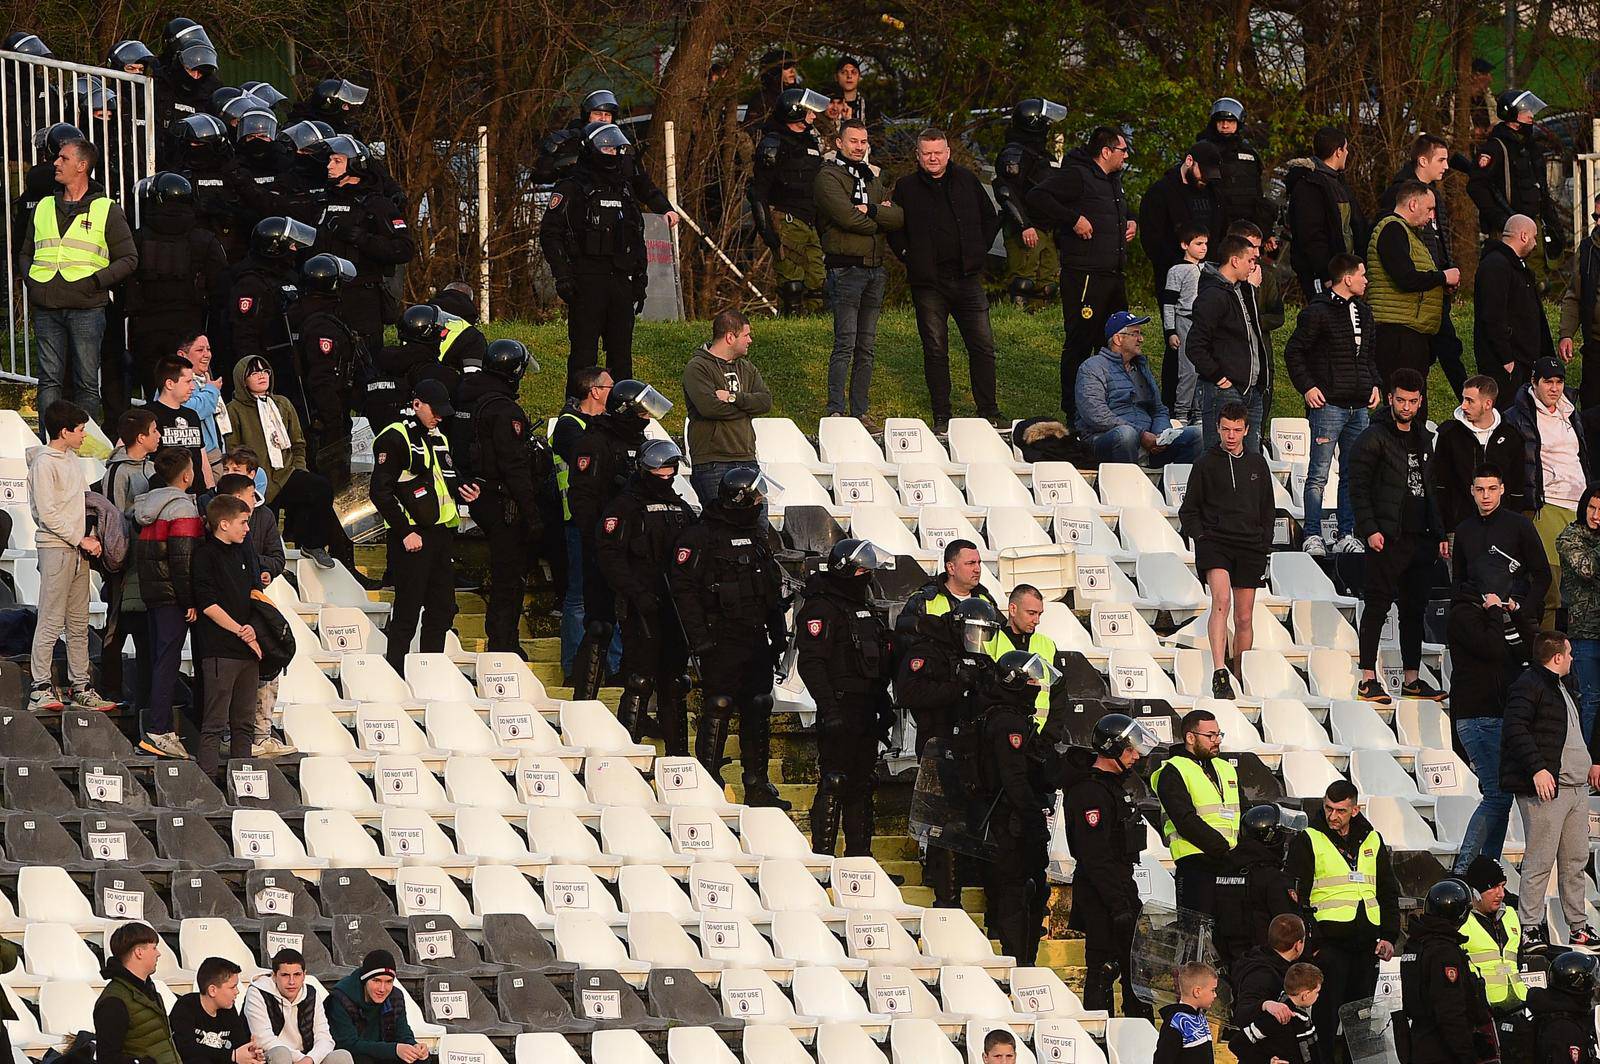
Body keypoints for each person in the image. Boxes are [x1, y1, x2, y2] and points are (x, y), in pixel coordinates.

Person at [670, 469, 789, 805]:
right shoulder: (701, 537)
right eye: (755, 498)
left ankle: (757, 783)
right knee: (719, 704)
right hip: (719, 637)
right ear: (739, 499)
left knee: (759, 703)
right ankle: (708, 780)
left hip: (755, 637)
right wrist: (699, 640)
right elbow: (684, 592)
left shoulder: (756, 537)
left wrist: (778, 633)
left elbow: (770, 590)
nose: (759, 504)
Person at [1446, 475, 1539, 873]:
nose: (1485, 496)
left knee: (1500, 795)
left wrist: (1512, 609)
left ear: (1503, 490)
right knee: (1497, 794)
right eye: (1479, 489)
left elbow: (1521, 648)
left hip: (1499, 711)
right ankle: (1467, 869)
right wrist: (1498, 615)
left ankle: (1486, 871)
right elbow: (1494, 648)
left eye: (1492, 489)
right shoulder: (1464, 614)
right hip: (1477, 714)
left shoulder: (1520, 527)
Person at [888, 127, 1003, 432]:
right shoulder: (905, 187)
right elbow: (894, 226)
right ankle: (942, 415)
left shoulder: (967, 179)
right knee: (936, 349)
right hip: (929, 283)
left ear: (948, 152)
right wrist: (906, 254)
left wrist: (979, 250)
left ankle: (989, 411)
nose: (933, 158)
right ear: (918, 155)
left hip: (967, 278)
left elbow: (991, 217)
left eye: (938, 152)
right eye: (927, 153)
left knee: (982, 346)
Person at [567, 379, 672, 697]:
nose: (647, 418)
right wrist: (599, 543)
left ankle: (632, 696)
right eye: (641, 412)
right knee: (600, 625)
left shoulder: (642, 443)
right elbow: (583, 499)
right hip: (605, 546)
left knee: (639, 628)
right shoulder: (595, 442)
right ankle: (584, 696)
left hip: (637, 551)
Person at [896, 592, 1002, 907]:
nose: (976, 639)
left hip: (972, 748)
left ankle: (966, 881)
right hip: (938, 745)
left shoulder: (982, 660)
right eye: (972, 631)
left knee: (970, 819)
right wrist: (957, 687)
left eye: (983, 634)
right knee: (942, 822)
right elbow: (909, 692)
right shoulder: (928, 652)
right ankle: (946, 896)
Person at [23, 137, 138, 423]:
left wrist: (96, 282)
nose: (56, 163)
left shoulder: (106, 209)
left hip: (87, 307)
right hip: (47, 304)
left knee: (86, 381)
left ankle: (84, 448)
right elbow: (26, 252)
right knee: (49, 380)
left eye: (63, 158)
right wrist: (32, 282)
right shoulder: (44, 206)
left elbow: (129, 258)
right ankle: (50, 446)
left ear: (82, 165)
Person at [1348, 369, 1447, 705]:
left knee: (1414, 609)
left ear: (1420, 402)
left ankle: (1412, 678)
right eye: (1401, 399)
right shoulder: (1373, 437)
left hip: (1421, 537)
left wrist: (1439, 532)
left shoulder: (1424, 438)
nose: (1406, 406)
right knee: (1377, 604)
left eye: (1413, 401)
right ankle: (1367, 678)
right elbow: (1357, 488)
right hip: (1387, 536)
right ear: (1390, 398)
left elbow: (1432, 489)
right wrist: (1370, 529)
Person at [1285, 780, 1400, 1062]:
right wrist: (1312, 943)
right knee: (1324, 1020)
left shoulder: (1373, 839)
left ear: (1355, 810)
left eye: (1340, 810)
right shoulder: (1309, 839)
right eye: (1328, 808)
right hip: (1329, 947)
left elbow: (1387, 892)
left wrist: (1389, 935)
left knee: (1360, 1020)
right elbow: (1294, 896)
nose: (1333, 816)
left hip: (1366, 946)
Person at [369, 380, 479, 673]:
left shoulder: (438, 436)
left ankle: (429, 671)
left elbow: (445, 480)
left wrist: (466, 489)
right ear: (416, 404)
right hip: (412, 536)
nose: (440, 417)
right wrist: (405, 531)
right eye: (436, 410)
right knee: (407, 611)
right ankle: (395, 674)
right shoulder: (394, 438)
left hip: (441, 534)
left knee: (443, 610)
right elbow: (380, 492)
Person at [1026, 126, 1135, 417]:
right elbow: (1038, 196)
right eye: (1123, 151)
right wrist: (1073, 219)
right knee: (1080, 341)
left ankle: (1112, 404)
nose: (1126, 157)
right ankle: (1073, 409)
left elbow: (1116, 208)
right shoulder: (1077, 175)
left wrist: (1131, 220)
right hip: (1085, 275)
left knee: (1116, 341)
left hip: (1113, 273)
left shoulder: (1114, 180)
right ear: (1106, 152)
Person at [1502, 631, 1600, 949]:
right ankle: (1529, 926)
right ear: (1557, 657)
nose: (1572, 658)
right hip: (1548, 789)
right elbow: (1515, 728)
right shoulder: (1528, 684)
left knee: (1574, 861)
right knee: (1540, 860)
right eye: (1569, 653)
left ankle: (1579, 927)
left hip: (1575, 788)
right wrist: (1537, 769)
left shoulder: (1565, 685)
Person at [797, 539, 894, 856]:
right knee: (834, 781)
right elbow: (811, 663)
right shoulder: (822, 607)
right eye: (863, 571)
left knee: (862, 785)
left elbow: (876, 665)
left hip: (866, 711)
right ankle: (823, 858)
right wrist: (829, 709)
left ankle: (859, 858)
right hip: (839, 706)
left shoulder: (865, 608)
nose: (868, 577)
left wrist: (884, 707)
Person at [597, 439, 695, 750]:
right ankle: (629, 750)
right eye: (660, 468)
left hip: (675, 609)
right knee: (640, 680)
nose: (666, 473)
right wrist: (636, 594)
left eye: (670, 468)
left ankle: (679, 753)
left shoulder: (681, 508)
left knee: (676, 683)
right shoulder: (625, 507)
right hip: (640, 606)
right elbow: (609, 556)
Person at [542, 123, 656, 390]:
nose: (612, 153)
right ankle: (577, 409)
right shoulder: (571, 187)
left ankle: (621, 411)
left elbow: (636, 236)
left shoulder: (625, 188)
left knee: (621, 356)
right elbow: (550, 233)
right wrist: (563, 276)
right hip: (586, 281)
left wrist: (640, 279)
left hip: (621, 280)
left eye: (615, 148)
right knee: (584, 354)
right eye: (606, 147)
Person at [455, 339, 550, 655]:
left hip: (480, 495)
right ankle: (503, 643)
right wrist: (532, 513)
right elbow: (514, 465)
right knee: (509, 578)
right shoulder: (505, 409)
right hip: (503, 501)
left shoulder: (468, 399)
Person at [1064, 713, 1160, 1020]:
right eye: (1129, 749)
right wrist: (1118, 905)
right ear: (1112, 748)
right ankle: (1100, 1036)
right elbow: (1094, 855)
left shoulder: (1113, 786)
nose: (1135, 756)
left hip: (1121, 884)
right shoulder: (1089, 791)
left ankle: (1138, 1031)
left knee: (1134, 970)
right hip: (1101, 892)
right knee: (1103, 969)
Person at [1283, 253, 1379, 554]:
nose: (1366, 280)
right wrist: (1308, 387)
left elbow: (1370, 355)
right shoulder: (1318, 311)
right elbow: (1294, 352)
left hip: (1359, 407)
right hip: (1329, 407)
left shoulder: (1365, 312)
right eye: (1362, 274)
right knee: (1319, 473)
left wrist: (1374, 382)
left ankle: (1345, 534)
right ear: (1347, 278)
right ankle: (1312, 533)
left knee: (1354, 472)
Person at [1179, 401, 1275, 697]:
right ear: (1218, 429)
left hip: (1250, 546)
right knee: (1221, 601)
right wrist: (1202, 537)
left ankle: (1240, 671)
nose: (1231, 436)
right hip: (1216, 544)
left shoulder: (1258, 463)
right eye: (1225, 429)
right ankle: (1220, 671)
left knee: (1244, 616)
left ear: (1246, 430)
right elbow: (1189, 510)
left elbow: (1267, 509)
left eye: (1236, 430)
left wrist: (1264, 542)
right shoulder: (1205, 463)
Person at [27, 399, 117, 712]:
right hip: (55, 547)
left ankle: (81, 685)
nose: (83, 436)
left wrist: (90, 535)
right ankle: (39, 687)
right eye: (79, 431)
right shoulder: (44, 463)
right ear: (64, 431)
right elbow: (48, 513)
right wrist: (80, 538)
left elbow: (81, 505)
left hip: (79, 549)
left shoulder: (71, 460)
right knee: (51, 618)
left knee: (78, 623)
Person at [978, 651, 1065, 965]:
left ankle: (1026, 959)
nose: (1036, 686)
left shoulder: (1013, 717)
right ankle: (1019, 963)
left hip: (1017, 818)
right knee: (1017, 891)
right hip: (1009, 822)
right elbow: (1013, 777)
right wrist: (1032, 818)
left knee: (1032, 891)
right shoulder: (1007, 722)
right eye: (1030, 679)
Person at [815, 118, 902, 422]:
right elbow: (847, 219)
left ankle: (861, 412)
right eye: (853, 140)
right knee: (845, 343)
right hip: (845, 270)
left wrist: (875, 212)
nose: (859, 146)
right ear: (839, 142)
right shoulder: (828, 176)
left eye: (863, 141)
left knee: (866, 346)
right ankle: (836, 410)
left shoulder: (872, 177)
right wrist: (880, 221)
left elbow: (899, 217)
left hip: (875, 270)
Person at [224, 356, 344, 570]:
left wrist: (298, 469)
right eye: (254, 372)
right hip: (257, 479)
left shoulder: (282, 403)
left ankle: (312, 545)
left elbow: (298, 443)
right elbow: (233, 450)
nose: (262, 375)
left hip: (285, 473)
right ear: (242, 379)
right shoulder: (233, 409)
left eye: (265, 371)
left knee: (319, 488)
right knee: (260, 524)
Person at [123, 173, 227, 407]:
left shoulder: (138, 239)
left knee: (155, 392)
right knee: (190, 389)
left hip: (147, 328)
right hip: (188, 327)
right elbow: (220, 286)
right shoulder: (203, 239)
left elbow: (126, 279)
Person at [1379, 134, 1467, 398]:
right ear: (1422, 160)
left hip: (1434, 287)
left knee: (1448, 349)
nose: (1446, 166)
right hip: (1414, 300)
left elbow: (1440, 239)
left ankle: (1469, 404)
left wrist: (1446, 273)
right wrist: (1439, 276)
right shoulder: (1401, 197)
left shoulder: (1433, 196)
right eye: (1441, 159)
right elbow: (1408, 255)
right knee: (1429, 355)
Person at [1505, 357, 1593, 618]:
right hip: (1548, 503)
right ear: (1534, 383)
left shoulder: (1570, 411)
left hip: (1580, 502)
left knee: (1586, 585)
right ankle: (1545, 653)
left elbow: (1581, 455)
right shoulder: (1517, 416)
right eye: (1548, 382)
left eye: (1559, 382)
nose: (1554, 388)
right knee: (1550, 586)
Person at [314, 135, 414, 358]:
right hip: (323, 295)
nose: (329, 166)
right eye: (329, 160)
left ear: (356, 165)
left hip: (362, 297)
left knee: (366, 361)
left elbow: (404, 248)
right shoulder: (322, 201)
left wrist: (364, 240)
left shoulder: (377, 204)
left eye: (337, 161)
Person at [135, 447, 203, 759]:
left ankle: (153, 723)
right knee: (167, 661)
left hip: (152, 593)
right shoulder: (182, 510)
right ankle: (158, 730)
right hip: (173, 597)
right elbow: (182, 560)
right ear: (187, 475)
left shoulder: (148, 506)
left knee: (157, 658)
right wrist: (188, 599)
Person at [190, 494, 263, 778]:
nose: (247, 528)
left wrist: (254, 629)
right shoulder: (205, 555)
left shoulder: (244, 552)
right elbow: (208, 605)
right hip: (220, 650)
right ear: (223, 524)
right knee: (214, 723)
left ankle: (244, 785)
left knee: (244, 724)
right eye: (243, 522)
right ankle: (206, 786)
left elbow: (256, 596)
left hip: (248, 651)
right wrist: (241, 631)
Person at [553, 367, 617, 680]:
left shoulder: (606, 425)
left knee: (612, 594)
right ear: (594, 390)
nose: (614, 392)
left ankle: (613, 665)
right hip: (577, 520)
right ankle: (574, 667)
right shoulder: (569, 425)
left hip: (606, 521)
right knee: (578, 595)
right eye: (609, 387)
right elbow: (591, 458)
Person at [1075, 310, 1203, 465]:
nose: (1141, 339)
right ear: (1118, 339)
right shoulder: (1092, 367)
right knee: (1126, 435)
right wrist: (1141, 435)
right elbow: (1096, 415)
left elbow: (1159, 409)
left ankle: (1169, 487)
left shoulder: (1141, 368)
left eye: (1140, 334)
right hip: (1108, 440)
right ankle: (1127, 485)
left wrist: (1159, 436)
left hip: (1149, 442)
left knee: (1196, 435)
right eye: (1135, 334)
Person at [1366, 181, 1459, 394]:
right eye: (1429, 209)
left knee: (1413, 405)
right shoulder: (1392, 229)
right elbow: (1405, 278)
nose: (1432, 216)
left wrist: (1440, 286)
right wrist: (1443, 277)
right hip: (1397, 334)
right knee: (1403, 403)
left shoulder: (1408, 233)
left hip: (1410, 331)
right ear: (1413, 204)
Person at [1397, 878, 1497, 1064]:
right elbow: (1450, 1012)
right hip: (1443, 1049)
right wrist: (1468, 1056)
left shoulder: (1415, 945)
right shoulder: (1443, 952)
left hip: (1419, 1043)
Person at [748, 87, 829, 315]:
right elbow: (758, 190)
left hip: (810, 219)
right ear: (795, 112)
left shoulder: (811, 142)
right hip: (786, 219)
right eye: (809, 111)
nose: (814, 116)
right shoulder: (773, 144)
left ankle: (816, 330)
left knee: (818, 282)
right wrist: (766, 229)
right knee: (792, 286)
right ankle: (790, 328)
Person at [1152, 708, 1240, 914]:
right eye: (1210, 736)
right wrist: (1222, 849)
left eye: (1219, 734)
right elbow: (1184, 819)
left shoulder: (1226, 768)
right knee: (1196, 937)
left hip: (1228, 862)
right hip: (1195, 864)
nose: (1217, 740)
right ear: (1190, 737)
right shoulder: (1172, 770)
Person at [1187, 233, 1270, 453]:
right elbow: (1195, 344)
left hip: (1251, 389)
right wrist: (1219, 377)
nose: (1253, 266)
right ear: (1235, 260)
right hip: (1226, 389)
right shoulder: (1213, 295)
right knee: (1218, 457)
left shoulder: (1241, 290)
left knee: (1251, 460)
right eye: (1249, 261)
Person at [683, 309, 772, 503]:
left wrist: (733, 398)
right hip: (712, 463)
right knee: (720, 526)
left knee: (759, 526)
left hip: (747, 459)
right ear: (730, 337)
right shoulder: (697, 367)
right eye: (746, 335)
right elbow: (709, 408)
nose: (750, 340)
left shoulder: (747, 368)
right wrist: (748, 408)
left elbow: (765, 402)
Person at [106, 408, 160, 715]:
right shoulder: (117, 471)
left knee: (143, 630)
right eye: (154, 431)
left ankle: (144, 695)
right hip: (124, 563)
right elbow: (113, 517)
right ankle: (111, 689)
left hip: (146, 564)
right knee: (117, 625)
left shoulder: (152, 468)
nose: (159, 436)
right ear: (140, 437)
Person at [1468, 90, 1561, 269]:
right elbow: (1476, 186)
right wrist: (1501, 219)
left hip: (1534, 222)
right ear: (1512, 115)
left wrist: (1550, 219)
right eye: (1525, 111)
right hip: (1508, 227)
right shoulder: (1496, 147)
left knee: (1538, 272)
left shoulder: (1530, 146)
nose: (1531, 115)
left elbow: (1540, 187)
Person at [291, 254, 362, 480]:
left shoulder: (307, 314)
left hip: (314, 415)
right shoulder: (322, 325)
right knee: (332, 480)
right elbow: (321, 379)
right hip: (323, 420)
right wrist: (334, 422)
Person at [993, 98, 1067, 311]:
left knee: (1048, 285)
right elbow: (1006, 192)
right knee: (1024, 282)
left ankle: (1039, 321)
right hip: (1025, 227)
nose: (1048, 126)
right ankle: (1018, 321)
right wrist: (1024, 225)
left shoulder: (1041, 154)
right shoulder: (1014, 154)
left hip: (1046, 227)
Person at [1430, 376, 1527, 533]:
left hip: (1502, 529)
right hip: (1458, 528)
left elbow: (1517, 486)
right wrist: (1443, 530)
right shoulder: (1449, 435)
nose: (1463, 406)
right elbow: (1440, 485)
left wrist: (1512, 527)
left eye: (1470, 401)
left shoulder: (1512, 436)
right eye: (1463, 399)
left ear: (1487, 404)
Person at [225, 216, 317, 382]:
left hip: (288, 359)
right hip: (267, 366)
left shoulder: (287, 275)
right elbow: (244, 336)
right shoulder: (250, 284)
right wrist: (255, 372)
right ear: (275, 247)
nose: (295, 249)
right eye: (290, 244)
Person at [1476, 215, 1554, 404]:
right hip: (1507, 366)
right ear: (1524, 236)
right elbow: (1492, 315)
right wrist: (1506, 359)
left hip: (1523, 362)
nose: (1536, 244)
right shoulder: (1496, 266)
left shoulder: (1517, 268)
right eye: (1534, 237)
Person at [1458, 857, 1529, 1058]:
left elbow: (1518, 960)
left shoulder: (1511, 915)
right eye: (1493, 887)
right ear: (1475, 892)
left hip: (1518, 1006)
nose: (1501, 893)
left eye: (1503, 886)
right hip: (1483, 1015)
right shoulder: (1461, 923)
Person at [1214, 808, 1301, 971]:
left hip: (1231, 962)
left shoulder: (1224, 872)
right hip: (1268, 965)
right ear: (1272, 839)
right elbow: (1290, 926)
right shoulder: (1275, 879)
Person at [1287, 127, 1364, 300]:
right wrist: (1326, 274)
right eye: (1346, 148)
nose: (1347, 153)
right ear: (1338, 151)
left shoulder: (1338, 182)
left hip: (1345, 274)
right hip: (1325, 277)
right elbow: (1311, 235)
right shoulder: (1309, 185)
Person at [244, 949, 352, 1064]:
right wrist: (300, 1059)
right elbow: (263, 1039)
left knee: (342, 1056)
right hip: (271, 1057)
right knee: (281, 1054)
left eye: (297, 975)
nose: (291, 982)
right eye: (285, 975)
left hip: (306, 1057)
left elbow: (325, 1038)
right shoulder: (257, 992)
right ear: (274, 976)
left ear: (304, 975)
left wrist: (310, 1059)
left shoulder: (311, 993)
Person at [95, 922, 181, 1064]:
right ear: (139, 952)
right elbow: (107, 1058)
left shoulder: (149, 990)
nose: (158, 953)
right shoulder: (113, 1002)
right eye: (153, 948)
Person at [326, 951, 428, 1064]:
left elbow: (403, 1033)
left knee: (420, 1060)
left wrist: (414, 1046)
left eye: (389, 982)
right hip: (356, 1056)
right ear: (365, 980)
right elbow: (347, 1044)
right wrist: (394, 1050)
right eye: (376, 981)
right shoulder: (341, 998)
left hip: (383, 1054)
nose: (382, 989)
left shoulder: (395, 996)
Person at [983, 584, 1058, 729]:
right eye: (1031, 613)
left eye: (1039, 614)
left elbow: (1058, 698)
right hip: (1000, 733)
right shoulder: (990, 641)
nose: (1037, 620)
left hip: (1038, 738)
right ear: (1012, 609)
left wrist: (1049, 737)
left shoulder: (1047, 644)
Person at [1558, 486, 1600, 742]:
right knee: (1591, 699)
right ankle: (1589, 765)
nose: (1596, 515)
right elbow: (1587, 569)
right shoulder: (1570, 537)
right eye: (1592, 508)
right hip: (1585, 633)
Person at [1160, 224, 1211, 424]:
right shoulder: (1176, 270)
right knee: (1187, 371)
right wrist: (1171, 330)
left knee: (1202, 370)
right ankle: (1181, 414)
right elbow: (1169, 303)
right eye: (1198, 243)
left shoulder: (1208, 269)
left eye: (1205, 243)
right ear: (1184, 245)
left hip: (1204, 324)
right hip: (1185, 321)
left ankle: (1199, 414)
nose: (1203, 248)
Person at [169, 957, 263, 1064]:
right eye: (233, 987)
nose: (237, 992)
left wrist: (250, 1055)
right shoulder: (185, 1006)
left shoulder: (228, 1009)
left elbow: (239, 1044)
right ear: (212, 990)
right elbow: (187, 1049)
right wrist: (232, 1055)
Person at [1228, 914, 1309, 1039]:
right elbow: (1242, 1013)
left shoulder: (1265, 960)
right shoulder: (1262, 975)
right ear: (1298, 945)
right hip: (1258, 1051)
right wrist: (1265, 1005)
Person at [1233, 962, 1321, 1064]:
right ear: (1305, 995)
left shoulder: (1301, 1018)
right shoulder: (1277, 1018)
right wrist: (1267, 1061)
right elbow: (1237, 1043)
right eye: (1317, 992)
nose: (1318, 996)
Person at [1559, 190, 1600, 406]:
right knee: (1591, 409)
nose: (1599, 222)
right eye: (1596, 217)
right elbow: (1574, 295)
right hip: (1595, 346)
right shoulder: (1586, 249)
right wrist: (1566, 334)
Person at [1529, 951, 1600, 1064]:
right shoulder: (1563, 1030)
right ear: (1579, 986)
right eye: (1591, 984)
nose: (1594, 988)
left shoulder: (1557, 1011)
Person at [902, 539, 1000, 621]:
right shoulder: (923, 601)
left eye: (979, 563)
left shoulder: (986, 600)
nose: (977, 569)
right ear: (951, 568)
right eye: (970, 563)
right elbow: (907, 639)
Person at [1153, 962, 1218, 1064]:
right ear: (1197, 992)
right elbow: (1162, 1060)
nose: (1215, 995)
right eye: (1212, 990)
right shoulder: (1176, 1023)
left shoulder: (1200, 1016)